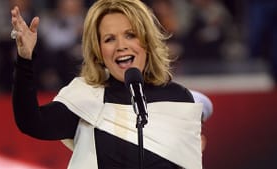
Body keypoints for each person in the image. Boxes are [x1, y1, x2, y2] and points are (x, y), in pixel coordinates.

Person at [11, 0, 211, 168]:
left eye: (130, 35)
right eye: (109, 39)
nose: (121, 45)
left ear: (147, 42)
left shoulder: (179, 99)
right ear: (98, 51)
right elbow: (32, 122)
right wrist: (25, 58)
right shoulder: (86, 99)